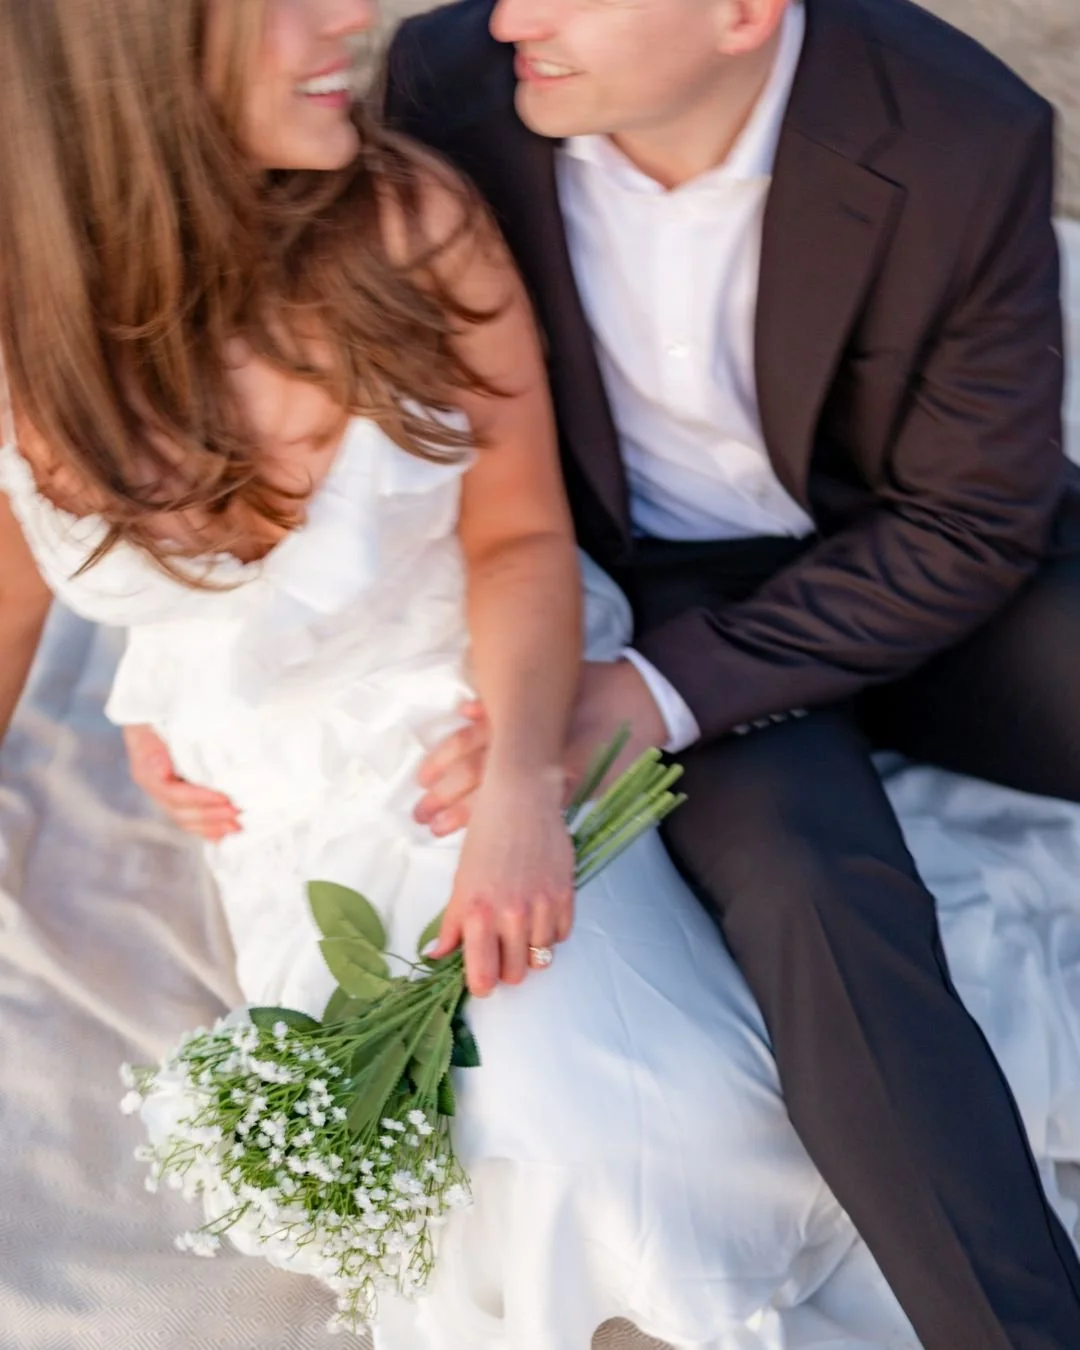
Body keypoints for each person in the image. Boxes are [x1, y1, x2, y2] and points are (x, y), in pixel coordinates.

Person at [0, 1, 864, 1346]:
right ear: (139, 62)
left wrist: (524, 780)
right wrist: (159, 698)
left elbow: (519, 532)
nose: (350, 15)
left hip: (479, 714)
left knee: (635, 1135)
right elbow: (12, 607)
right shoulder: (27, 312)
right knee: (444, 1170)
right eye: (281, 6)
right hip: (276, 789)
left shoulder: (411, 226)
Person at [367, 0, 1080, 1347]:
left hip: (917, 545)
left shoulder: (962, 130)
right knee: (819, 897)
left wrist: (648, 697)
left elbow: (978, 517)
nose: (513, 15)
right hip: (654, 597)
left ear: (741, 16)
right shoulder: (451, 86)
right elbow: (353, 361)